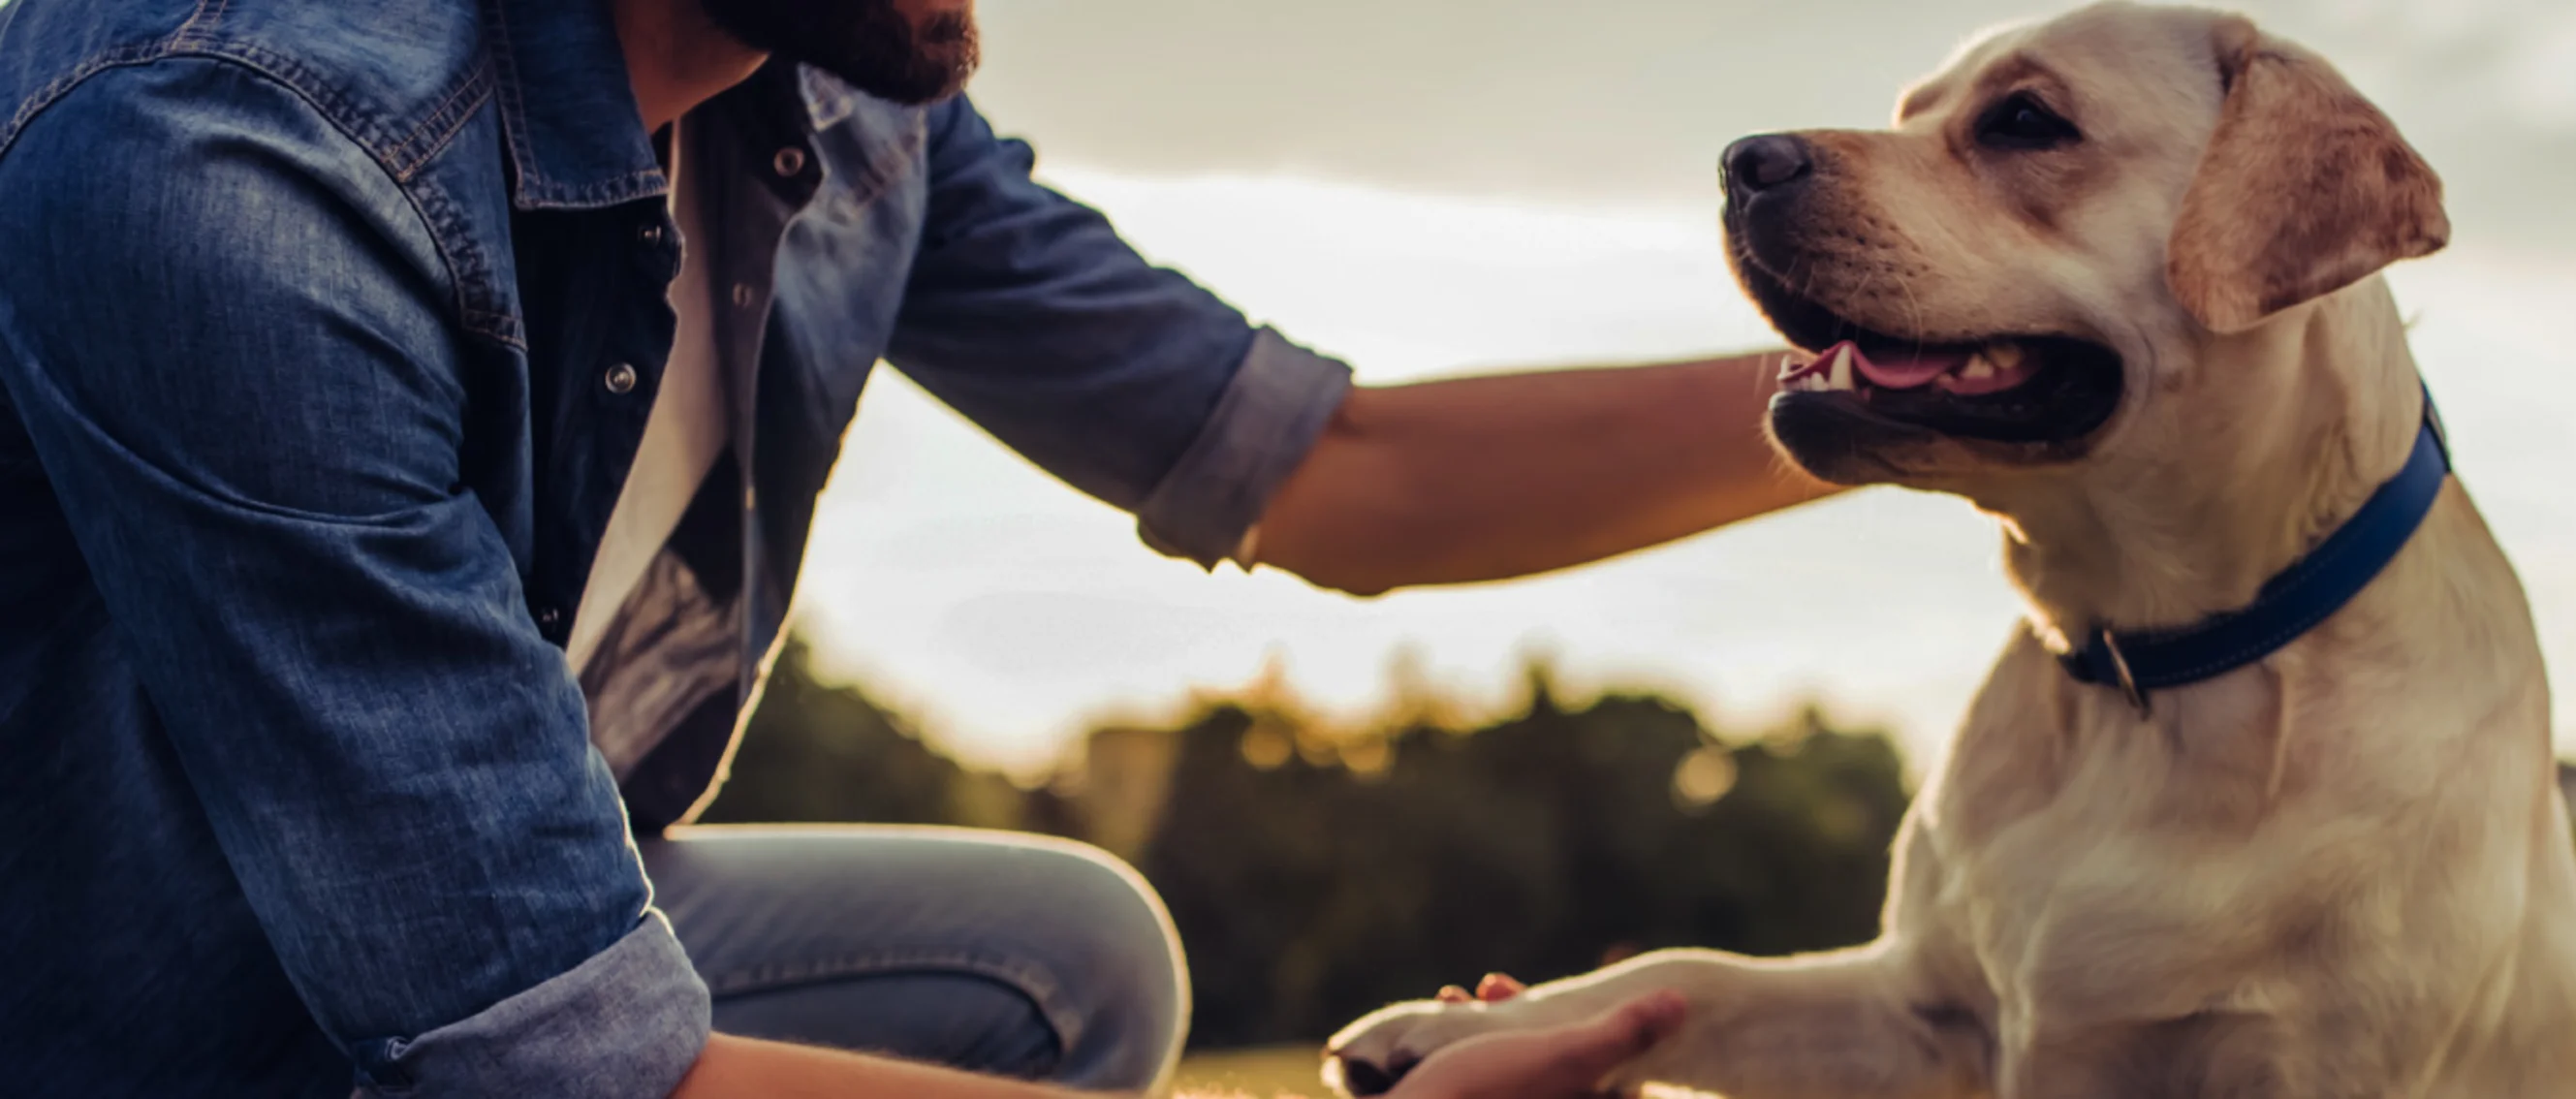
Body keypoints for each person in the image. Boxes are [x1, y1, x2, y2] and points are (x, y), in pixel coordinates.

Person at [0, 0, 1826, 1095]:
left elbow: (1336, 473)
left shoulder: (841, 99)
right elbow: (550, 1067)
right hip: (142, 1030)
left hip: (478, 1001)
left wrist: (1902, 396)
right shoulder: (234, 150)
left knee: (1059, 957)